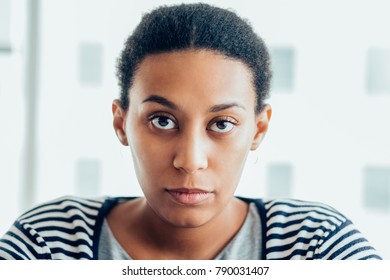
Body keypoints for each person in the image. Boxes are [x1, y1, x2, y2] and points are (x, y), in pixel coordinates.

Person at [0, 3, 382, 260]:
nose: (190, 161)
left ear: (258, 129)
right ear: (121, 123)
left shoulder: (315, 247)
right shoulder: (50, 244)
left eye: (221, 124)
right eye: (162, 120)